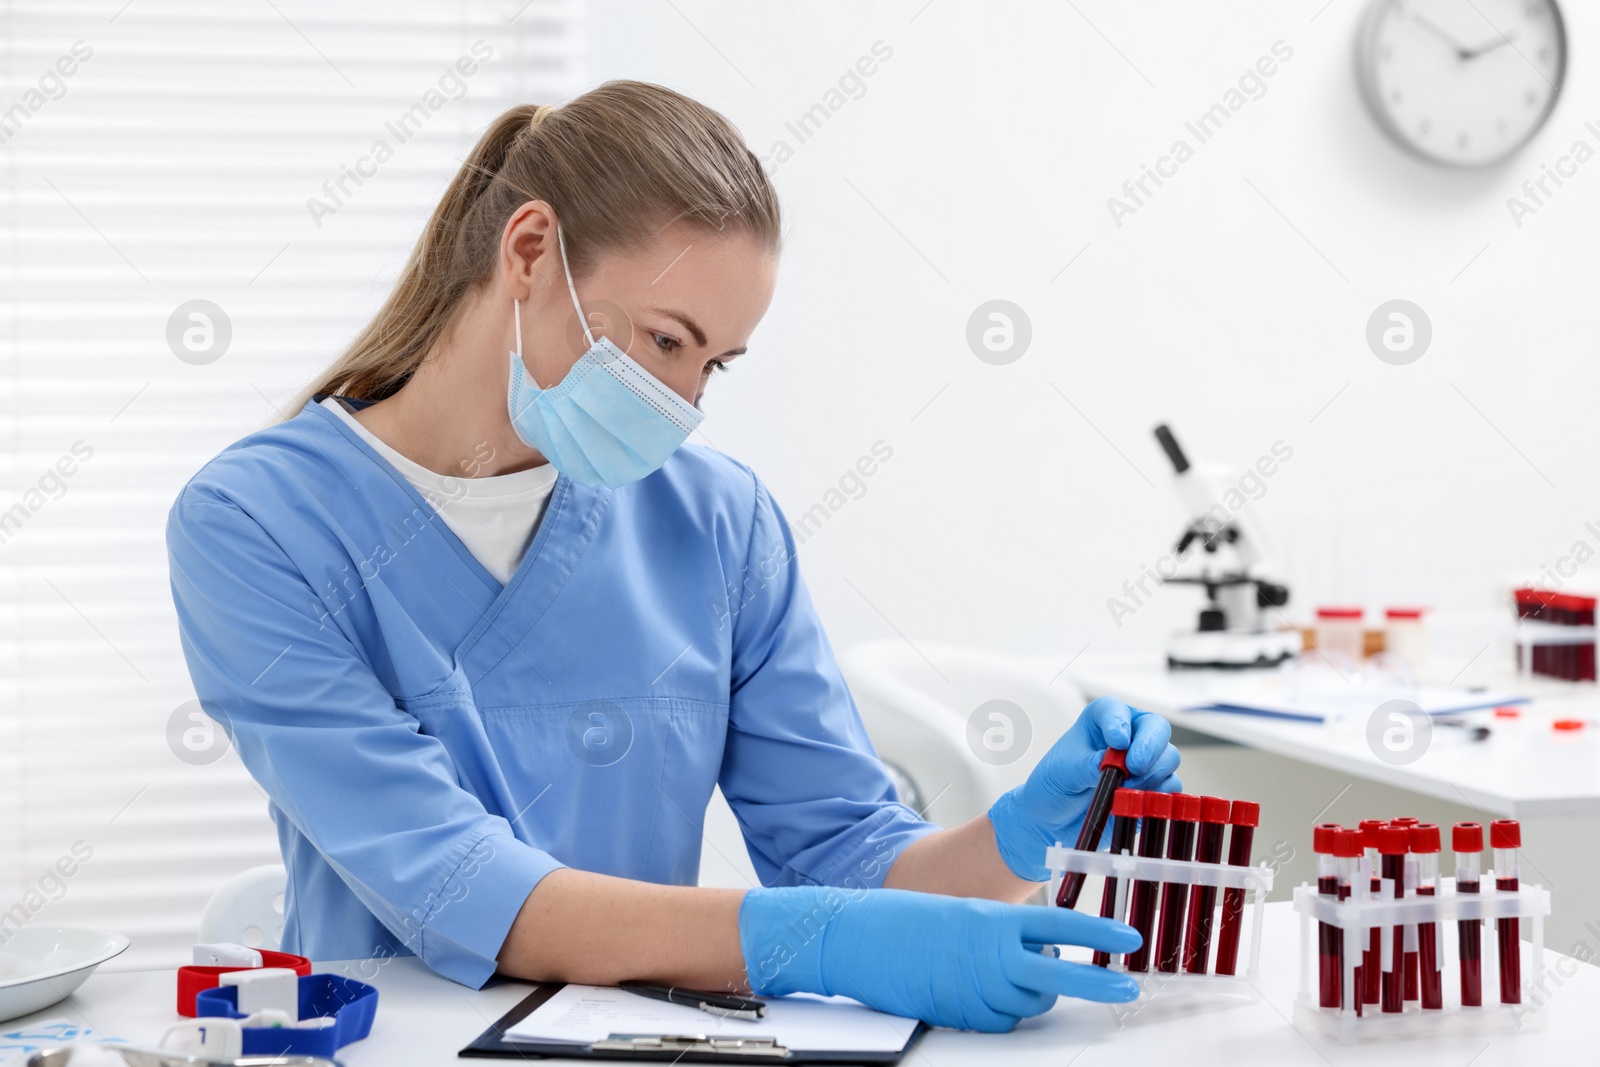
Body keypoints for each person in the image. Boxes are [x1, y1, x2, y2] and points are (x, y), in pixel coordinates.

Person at [167, 81, 1180, 1033]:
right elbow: (458, 881)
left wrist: (1009, 838)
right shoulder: (255, 523)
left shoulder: (718, 522)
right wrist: (808, 937)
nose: (683, 405)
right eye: (662, 340)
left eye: (714, 364)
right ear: (529, 252)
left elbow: (845, 854)